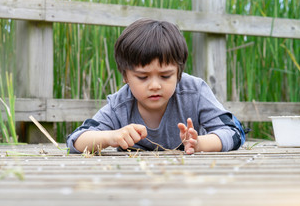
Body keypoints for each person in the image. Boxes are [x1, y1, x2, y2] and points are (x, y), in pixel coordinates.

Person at [66, 18, 245, 154]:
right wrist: (111, 136)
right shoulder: (120, 105)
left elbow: (235, 132)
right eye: (142, 77)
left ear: (178, 73)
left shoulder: (194, 92)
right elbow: (75, 140)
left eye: (166, 76)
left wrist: (200, 143)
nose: (154, 85)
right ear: (125, 76)